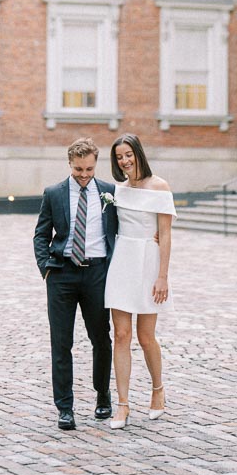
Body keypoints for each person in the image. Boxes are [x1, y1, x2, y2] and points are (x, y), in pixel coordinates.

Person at [33, 137, 118, 431]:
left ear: (96, 164)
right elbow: (41, 235)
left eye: (89, 169)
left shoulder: (109, 192)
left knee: (101, 339)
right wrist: (46, 268)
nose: (84, 174)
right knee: (61, 342)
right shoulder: (54, 193)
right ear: (70, 163)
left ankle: (103, 396)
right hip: (62, 275)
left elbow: (121, 229)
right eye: (79, 169)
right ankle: (65, 408)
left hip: (97, 274)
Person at [104, 133, 175, 430]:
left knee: (146, 337)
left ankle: (158, 391)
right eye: (120, 157)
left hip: (147, 262)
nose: (125, 160)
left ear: (138, 154)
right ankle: (122, 404)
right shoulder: (117, 191)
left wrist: (162, 276)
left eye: (129, 154)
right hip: (122, 260)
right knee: (121, 335)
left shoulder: (159, 186)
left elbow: (166, 234)